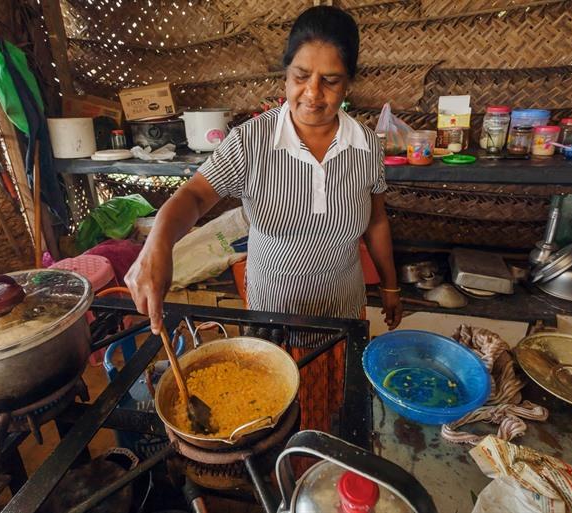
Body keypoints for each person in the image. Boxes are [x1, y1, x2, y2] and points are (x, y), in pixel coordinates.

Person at [126, 5, 402, 432]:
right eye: (300, 76)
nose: (312, 93)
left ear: (349, 83)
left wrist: (389, 285)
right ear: (285, 75)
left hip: (341, 315)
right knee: (270, 418)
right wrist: (156, 244)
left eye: (330, 80)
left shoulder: (365, 144)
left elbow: (377, 220)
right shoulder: (251, 141)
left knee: (328, 413)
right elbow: (196, 196)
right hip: (273, 314)